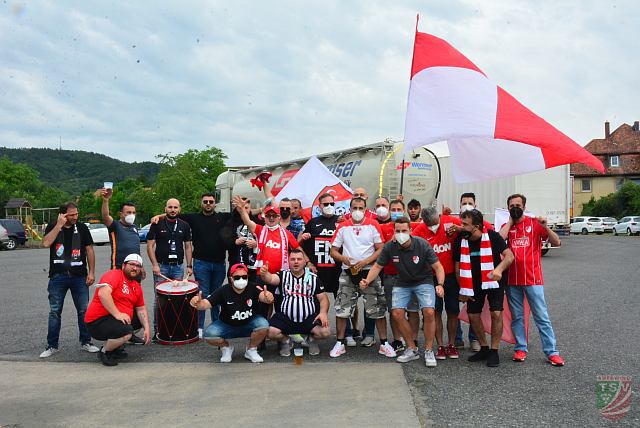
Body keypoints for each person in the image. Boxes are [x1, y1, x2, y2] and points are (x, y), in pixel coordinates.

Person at [360, 217, 445, 367]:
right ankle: (411, 348)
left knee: (429, 312)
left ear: (410, 231)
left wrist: (440, 284)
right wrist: (367, 280)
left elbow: (438, 267)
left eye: (404, 230)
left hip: (424, 281)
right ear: (394, 231)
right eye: (397, 231)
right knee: (397, 313)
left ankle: (429, 350)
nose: (400, 234)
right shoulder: (390, 247)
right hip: (403, 282)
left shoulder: (422, 244)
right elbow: (377, 267)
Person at [151, 193, 231, 338]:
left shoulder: (223, 217)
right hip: (201, 263)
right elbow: (173, 213)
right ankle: (199, 328)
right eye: (205, 201)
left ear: (215, 204)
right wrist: (159, 216)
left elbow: (242, 214)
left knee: (217, 296)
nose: (208, 203)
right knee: (202, 294)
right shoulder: (193, 218)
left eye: (211, 201)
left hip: (219, 264)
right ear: (201, 203)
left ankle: (216, 326)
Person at [499, 194, 565, 366]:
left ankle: (552, 352)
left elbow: (556, 242)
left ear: (524, 207)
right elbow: (499, 240)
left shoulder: (534, 223)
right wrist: (510, 222)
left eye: (518, 205)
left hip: (533, 280)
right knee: (518, 317)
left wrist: (546, 227)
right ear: (508, 208)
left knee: (541, 317)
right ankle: (521, 348)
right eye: (512, 205)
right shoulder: (507, 226)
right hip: (512, 280)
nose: (515, 207)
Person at [329, 197, 395, 358]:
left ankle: (384, 344)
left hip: (369, 272)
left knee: (377, 309)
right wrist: (343, 258)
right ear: (350, 209)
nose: (357, 211)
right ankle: (339, 342)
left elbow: (381, 248)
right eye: (354, 208)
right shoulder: (343, 226)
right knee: (342, 309)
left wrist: (366, 261)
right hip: (348, 272)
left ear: (366, 209)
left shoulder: (373, 225)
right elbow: (333, 250)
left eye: (361, 208)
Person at [453, 209, 514, 367]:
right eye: (461, 223)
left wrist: (498, 270)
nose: (462, 227)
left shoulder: (493, 236)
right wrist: (463, 289)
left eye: (465, 224)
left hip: (494, 281)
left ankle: (494, 351)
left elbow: (510, 256)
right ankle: (484, 348)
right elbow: (458, 266)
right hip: (472, 284)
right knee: (473, 315)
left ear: (477, 226)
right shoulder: (460, 238)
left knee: (496, 313)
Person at [40, 202, 99, 358]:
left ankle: (86, 342)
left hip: (79, 276)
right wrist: (58, 225)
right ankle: (52, 345)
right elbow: (46, 243)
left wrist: (91, 272)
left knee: (83, 310)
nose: (75, 217)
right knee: (54, 312)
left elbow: (89, 249)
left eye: (76, 214)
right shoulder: (53, 226)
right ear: (62, 215)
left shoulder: (82, 228)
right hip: (57, 276)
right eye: (71, 215)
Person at [190, 263, 272, 363]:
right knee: (209, 334)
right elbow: (206, 304)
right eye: (237, 277)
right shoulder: (223, 290)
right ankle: (226, 348)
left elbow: (263, 296)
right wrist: (198, 303)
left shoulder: (252, 287)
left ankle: (251, 349)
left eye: (244, 276)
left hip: (249, 323)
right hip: (227, 325)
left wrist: (268, 297)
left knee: (263, 325)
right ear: (231, 278)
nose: (241, 279)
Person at [260, 249, 331, 356]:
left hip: (309, 318)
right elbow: (270, 279)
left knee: (325, 331)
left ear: (304, 262)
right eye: (293, 259)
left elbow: (323, 299)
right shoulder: (283, 275)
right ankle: (286, 341)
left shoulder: (313, 278)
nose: (296, 262)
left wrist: (323, 313)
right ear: (288, 261)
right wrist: (264, 273)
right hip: (286, 318)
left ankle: (312, 340)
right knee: (269, 331)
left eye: (299, 259)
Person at [412, 206, 462, 360]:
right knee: (435, 312)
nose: (433, 227)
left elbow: (471, 229)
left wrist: (459, 229)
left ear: (439, 217)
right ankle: (440, 345)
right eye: (429, 225)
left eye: (435, 223)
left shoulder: (450, 222)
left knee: (453, 312)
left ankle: (452, 344)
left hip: (451, 276)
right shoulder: (419, 230)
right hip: (431, 278)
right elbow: (409, 242)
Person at [84, 254, 151, 366]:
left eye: (138, 266)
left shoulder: (136, 286)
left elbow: (141, 309)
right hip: (96, 321)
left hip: (113, 318)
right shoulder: (114, 274)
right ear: (124, 266)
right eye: (131, 264)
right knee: (127, 332)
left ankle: (116, 347)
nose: (134, 268)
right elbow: (103, 293)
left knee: (139, 321)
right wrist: (118, 314)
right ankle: (105, 351)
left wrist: (147, 328)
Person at [100, 190, 146, 345]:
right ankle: (116, 333)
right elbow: (106, 217)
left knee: (133, 304)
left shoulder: (134, 228)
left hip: (135, 273)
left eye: (133, 212)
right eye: (128, 212)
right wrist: (106, 200)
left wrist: (142, 267)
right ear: (121, 214)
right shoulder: (115, 226)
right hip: (119, 271)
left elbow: (136, 250)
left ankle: (129, 332)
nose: (131, 214)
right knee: (119, 303)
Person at [147, 198, 193, 338]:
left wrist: (189, 266)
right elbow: (150, 246)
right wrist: (155, 265)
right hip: (162, 268)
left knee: (177, 300)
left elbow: (188, 246)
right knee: (159, 300)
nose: (173, 210)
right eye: (170, 207)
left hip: (178, 268)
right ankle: (158, 331)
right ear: (165, 208)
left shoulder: (184, 225)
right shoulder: (157, 223)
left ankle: (175, 330)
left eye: (175, 207)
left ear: (179, 209)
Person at [298, 193, 343, 334]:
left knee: (344, 303)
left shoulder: (341, 221)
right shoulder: (313, 222)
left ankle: (349, 333)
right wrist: (308, 262)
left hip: (338, 270)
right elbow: (299, 245)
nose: (329, 207)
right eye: (326, 204)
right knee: (314, 303)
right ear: (320, 206)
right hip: (318, 271)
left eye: (332, 204)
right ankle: (312, 331)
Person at [378, 199, 418, 352]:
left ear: (404, 210)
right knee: (394, 311)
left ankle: (413, 340)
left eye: (398, 209)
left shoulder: (414, 227)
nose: (395, 212)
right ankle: (397, 340)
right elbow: (379, 248)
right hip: (390, 275)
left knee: (413, 311)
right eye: (393, 209)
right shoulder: (383, 228)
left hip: (411, 277)